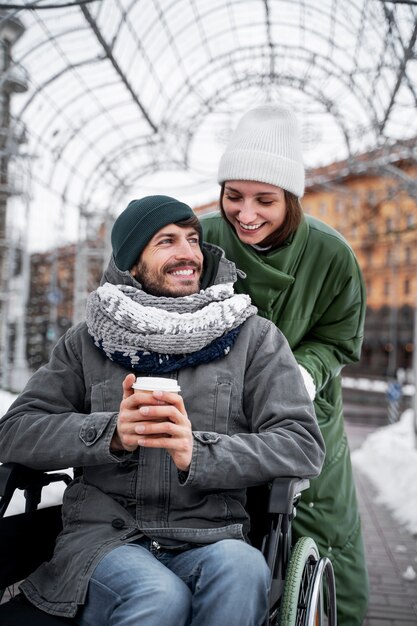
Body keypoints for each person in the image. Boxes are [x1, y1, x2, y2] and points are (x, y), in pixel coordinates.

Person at [0, 195, 325, 626]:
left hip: (213, 536)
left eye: (192, 239)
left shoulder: (255, 339)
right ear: (133, 262)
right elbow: (15, 431)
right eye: (167, 242)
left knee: (246, 570)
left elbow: (301, 446)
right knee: (160, 595)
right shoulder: (86, 343)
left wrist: (200, 452)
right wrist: (110, 433)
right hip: (105, 541)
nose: (189, 253)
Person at [201, 104, 369, 625]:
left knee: (323, 531)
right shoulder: (199, 238)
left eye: (264, 200)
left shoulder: (332, 255)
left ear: (291, 199)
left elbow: (339, 339)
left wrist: (300, 370)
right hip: (215, 417)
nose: (246, 213)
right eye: (234, 196)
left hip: (306, 414)